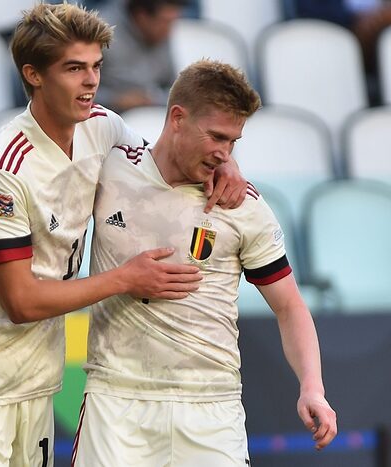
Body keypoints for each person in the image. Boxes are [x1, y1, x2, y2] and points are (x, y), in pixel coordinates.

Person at [0, 3, 246, 466]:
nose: (91, 81)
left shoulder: (101, 128)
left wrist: (227, 161)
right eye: (73, 68)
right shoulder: (5, 169)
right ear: (34, 74)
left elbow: (165, 158)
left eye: (96, 67)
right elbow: (21, 302)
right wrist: (125, 279)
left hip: (35, 385)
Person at [69, 60, 338, 465]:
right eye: (216, 136)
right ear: (177, 118)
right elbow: (39, 157)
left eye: (233, 142)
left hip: (211, 406)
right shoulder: (111, 167)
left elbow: (289, 305)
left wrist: (312, 387)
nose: (224, 153)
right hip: (116, 400)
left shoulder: (242, 204)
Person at [94, 0, 188, 113]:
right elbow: (74, 91)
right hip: (104, 118)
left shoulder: (161, 34)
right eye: (165, 22)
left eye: (173, 22)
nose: (170, 30)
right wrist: (116, 100)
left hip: (150, 116)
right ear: (142, 16)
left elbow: (174, 87)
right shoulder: (100, 33)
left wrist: (154, 98)